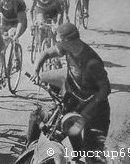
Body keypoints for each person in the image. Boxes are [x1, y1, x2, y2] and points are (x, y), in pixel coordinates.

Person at [31, 23, 110, 162]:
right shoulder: (68, 47)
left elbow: (105, 89)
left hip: (97, 110)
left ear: (67, 41)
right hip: (75, 99)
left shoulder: (92, 62)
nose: (58, 43)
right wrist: (36, 72)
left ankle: (84, 154)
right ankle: (30, 150)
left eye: (60, 39)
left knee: (93, 156)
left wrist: (85, 114)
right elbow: (45, 53)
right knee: (39, 118)